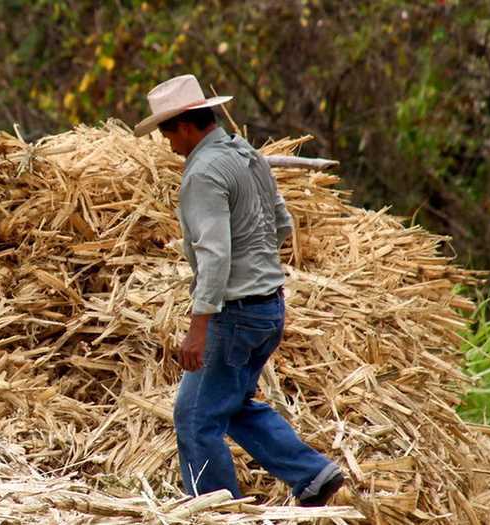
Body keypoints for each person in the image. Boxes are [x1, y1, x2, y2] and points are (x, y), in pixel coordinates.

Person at [133, 74, 344, 506]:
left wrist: (198, 328)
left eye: (166, 132)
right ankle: (312, 474)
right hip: (270, 308)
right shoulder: (248, 155)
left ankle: (216, 509)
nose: (167, 143)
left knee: (194, 417)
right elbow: (282, 224)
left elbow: (214, 256)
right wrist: (257, 266)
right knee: (230, 404)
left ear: (186, 126)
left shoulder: (203, 174)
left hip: (235, 314)